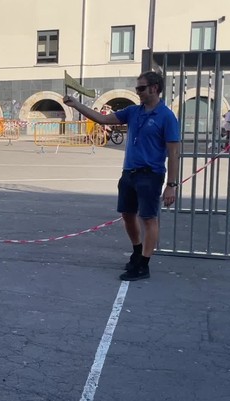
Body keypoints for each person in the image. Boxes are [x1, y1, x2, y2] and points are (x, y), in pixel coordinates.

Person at [63, 71, 180, 281]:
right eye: (137, 88)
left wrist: (171, 184)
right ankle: (137, 251)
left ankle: (144, 265)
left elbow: (173, 153)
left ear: (154, 88)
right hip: (129, 174)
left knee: (149, 218)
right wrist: (76, 104)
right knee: (127, 214)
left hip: (150, 175)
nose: (138, 92)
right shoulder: (133, 111)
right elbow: (102, 118)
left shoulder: (167, 117)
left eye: (141, 88)